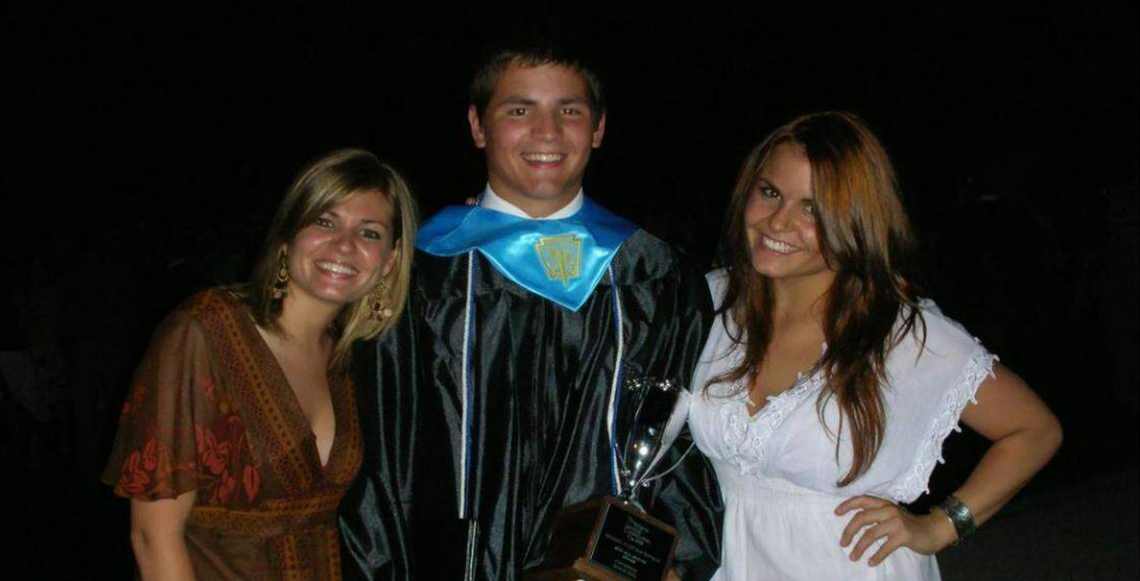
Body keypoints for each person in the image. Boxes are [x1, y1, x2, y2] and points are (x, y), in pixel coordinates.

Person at [339, 49, 723, 581]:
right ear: (478, 126)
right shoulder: (419, 270)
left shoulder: (656, 275)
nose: (547, 131)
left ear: (598, 128)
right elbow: (381, 455)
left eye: (569, 111)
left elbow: (681, 443)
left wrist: (679, 559)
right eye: (519, 111)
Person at [687, 112, 1062, 580]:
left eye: (812, 208)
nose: (778, 222)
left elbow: (1034, 430)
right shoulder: (709, 303)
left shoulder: (903, 334)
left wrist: (941, 526)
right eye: (770, 192)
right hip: (726, 563)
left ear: (855, 221)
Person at [102, 149, 418, 580]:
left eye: (369, 233)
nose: (344, 245)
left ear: (390, 261)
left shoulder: (350, 358)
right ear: (288, 235)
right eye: (325, 222)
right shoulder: (205, 330)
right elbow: (153, 537)